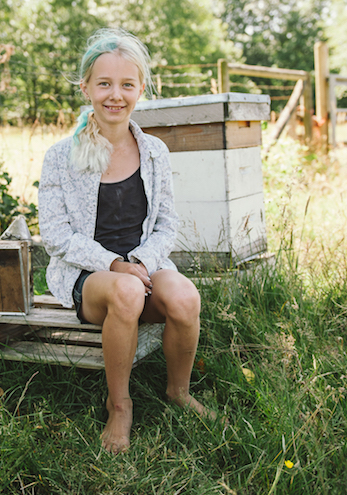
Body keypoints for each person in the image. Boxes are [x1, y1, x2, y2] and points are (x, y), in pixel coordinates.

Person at [38, 28, 215, 454]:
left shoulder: (154, 151)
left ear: (140, 89)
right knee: (127, 290)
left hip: (144, 267)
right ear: (86, 87)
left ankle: (177, 391)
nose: (115, 95)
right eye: (104, 84)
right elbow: (56, 235)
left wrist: (141, 260)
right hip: (91, 278)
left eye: (126, 85)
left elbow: (167, 225)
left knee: (186, 298)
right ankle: (120, 405)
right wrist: (117, 266)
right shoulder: (60, 157)